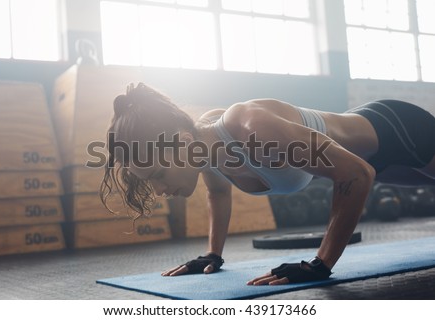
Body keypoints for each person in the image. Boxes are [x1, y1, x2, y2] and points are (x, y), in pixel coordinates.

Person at [100, 82, 435, 285]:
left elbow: (356, 174)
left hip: (399, 131)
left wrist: (320, 264)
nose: (159, 192)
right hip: (374, 157)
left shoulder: (251, 129)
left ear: (184, 141)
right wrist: (212, 255)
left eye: (158, 175)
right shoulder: (205, 149)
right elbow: (217, 192)